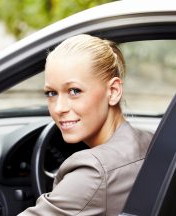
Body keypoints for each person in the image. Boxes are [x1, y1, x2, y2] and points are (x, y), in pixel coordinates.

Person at [18, 34, 153, 215]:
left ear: (113, 91)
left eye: (74, 91)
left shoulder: (93, 173)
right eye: (51, 93)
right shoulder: (151, 141)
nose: (59, 108)